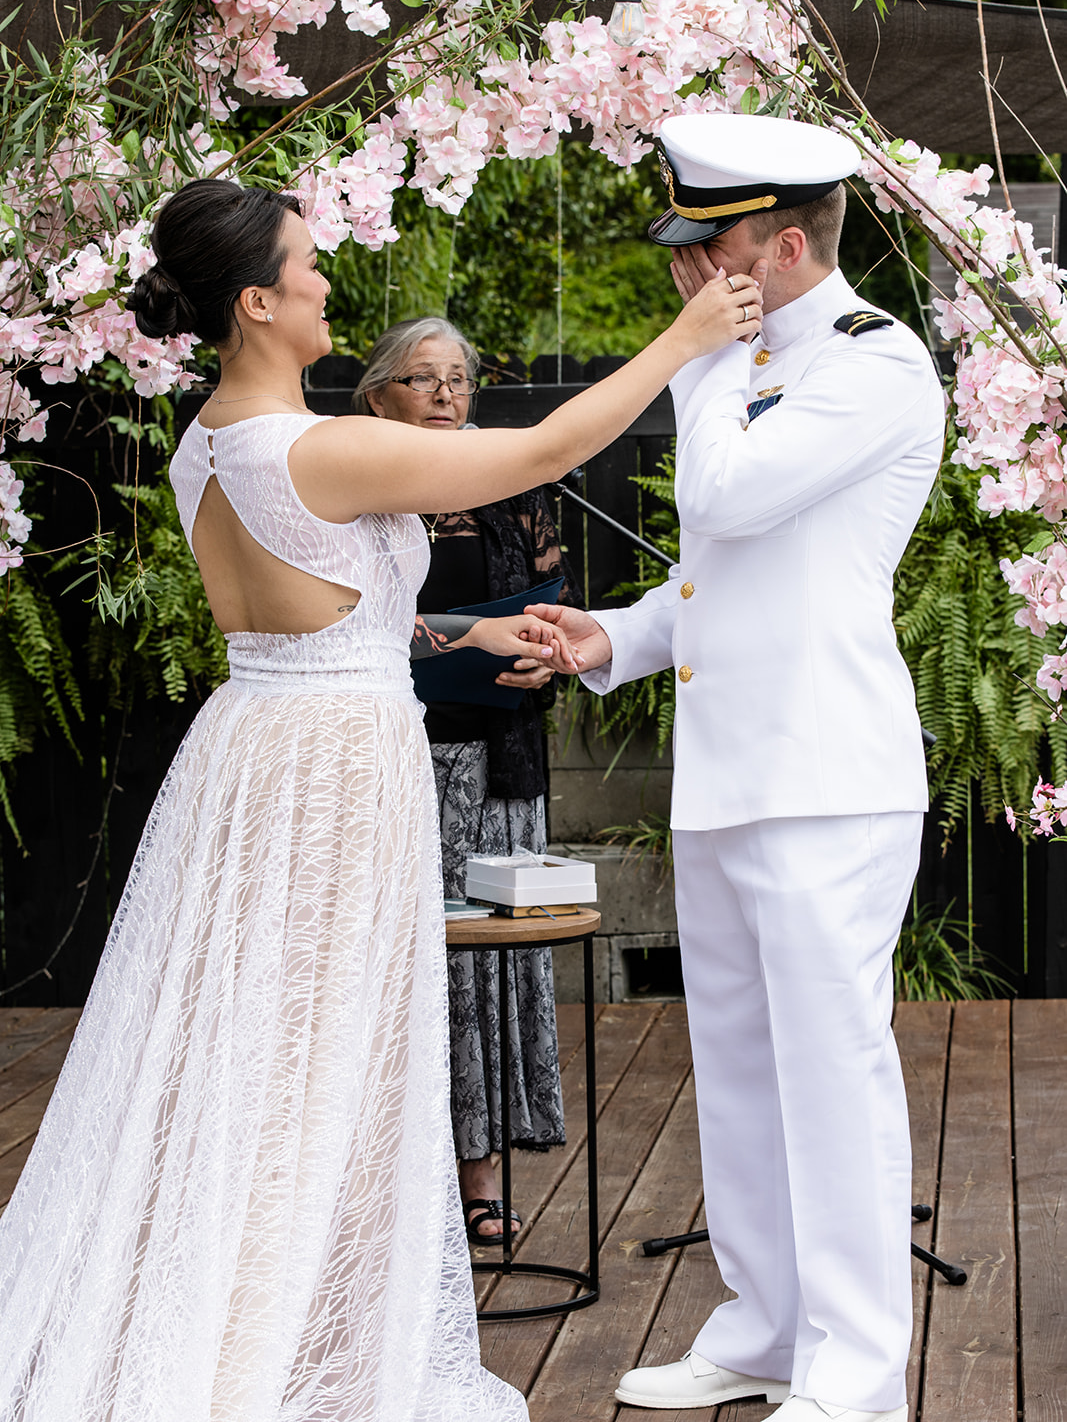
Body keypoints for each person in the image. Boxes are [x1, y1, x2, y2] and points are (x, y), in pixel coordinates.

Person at [0, 176, 763, 1422]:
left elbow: (324, 609)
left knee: (253, 1051)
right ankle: (258, 1351)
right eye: (305, 265)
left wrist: (463, 632)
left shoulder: (209, 443)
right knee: (315, 1063)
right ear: (256, 301)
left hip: (257, 745)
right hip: (335, 773)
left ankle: (281, 1320)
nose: (325, 280)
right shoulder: (320, 444)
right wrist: (681, 340)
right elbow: (536, 451)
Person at [530, 113, 947, 1422]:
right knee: (743, 1071)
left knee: (830, 1078)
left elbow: (725, 499)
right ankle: (764, 1328)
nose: (674, 277)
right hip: (732, 780)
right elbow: (724, 575)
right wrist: (616, 636)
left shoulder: (874, 366)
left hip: (824, 779)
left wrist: (696, 362)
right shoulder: (753, 358)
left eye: (695, 253)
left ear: (776, 244)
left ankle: (854, 1374)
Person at [355, 317, 580, 1244]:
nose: (445, 395)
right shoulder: (360, 498)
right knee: (415, 969)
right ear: (377, 399)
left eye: (457, 379)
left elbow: (557, 602)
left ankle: (481, 1173)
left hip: (499, 764)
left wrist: (546, 653)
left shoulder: (515, 490)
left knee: (491, 967)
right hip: (398, 758)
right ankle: (399, 1186)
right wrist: (462, 634)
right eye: (421, 378)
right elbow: (353, 622)